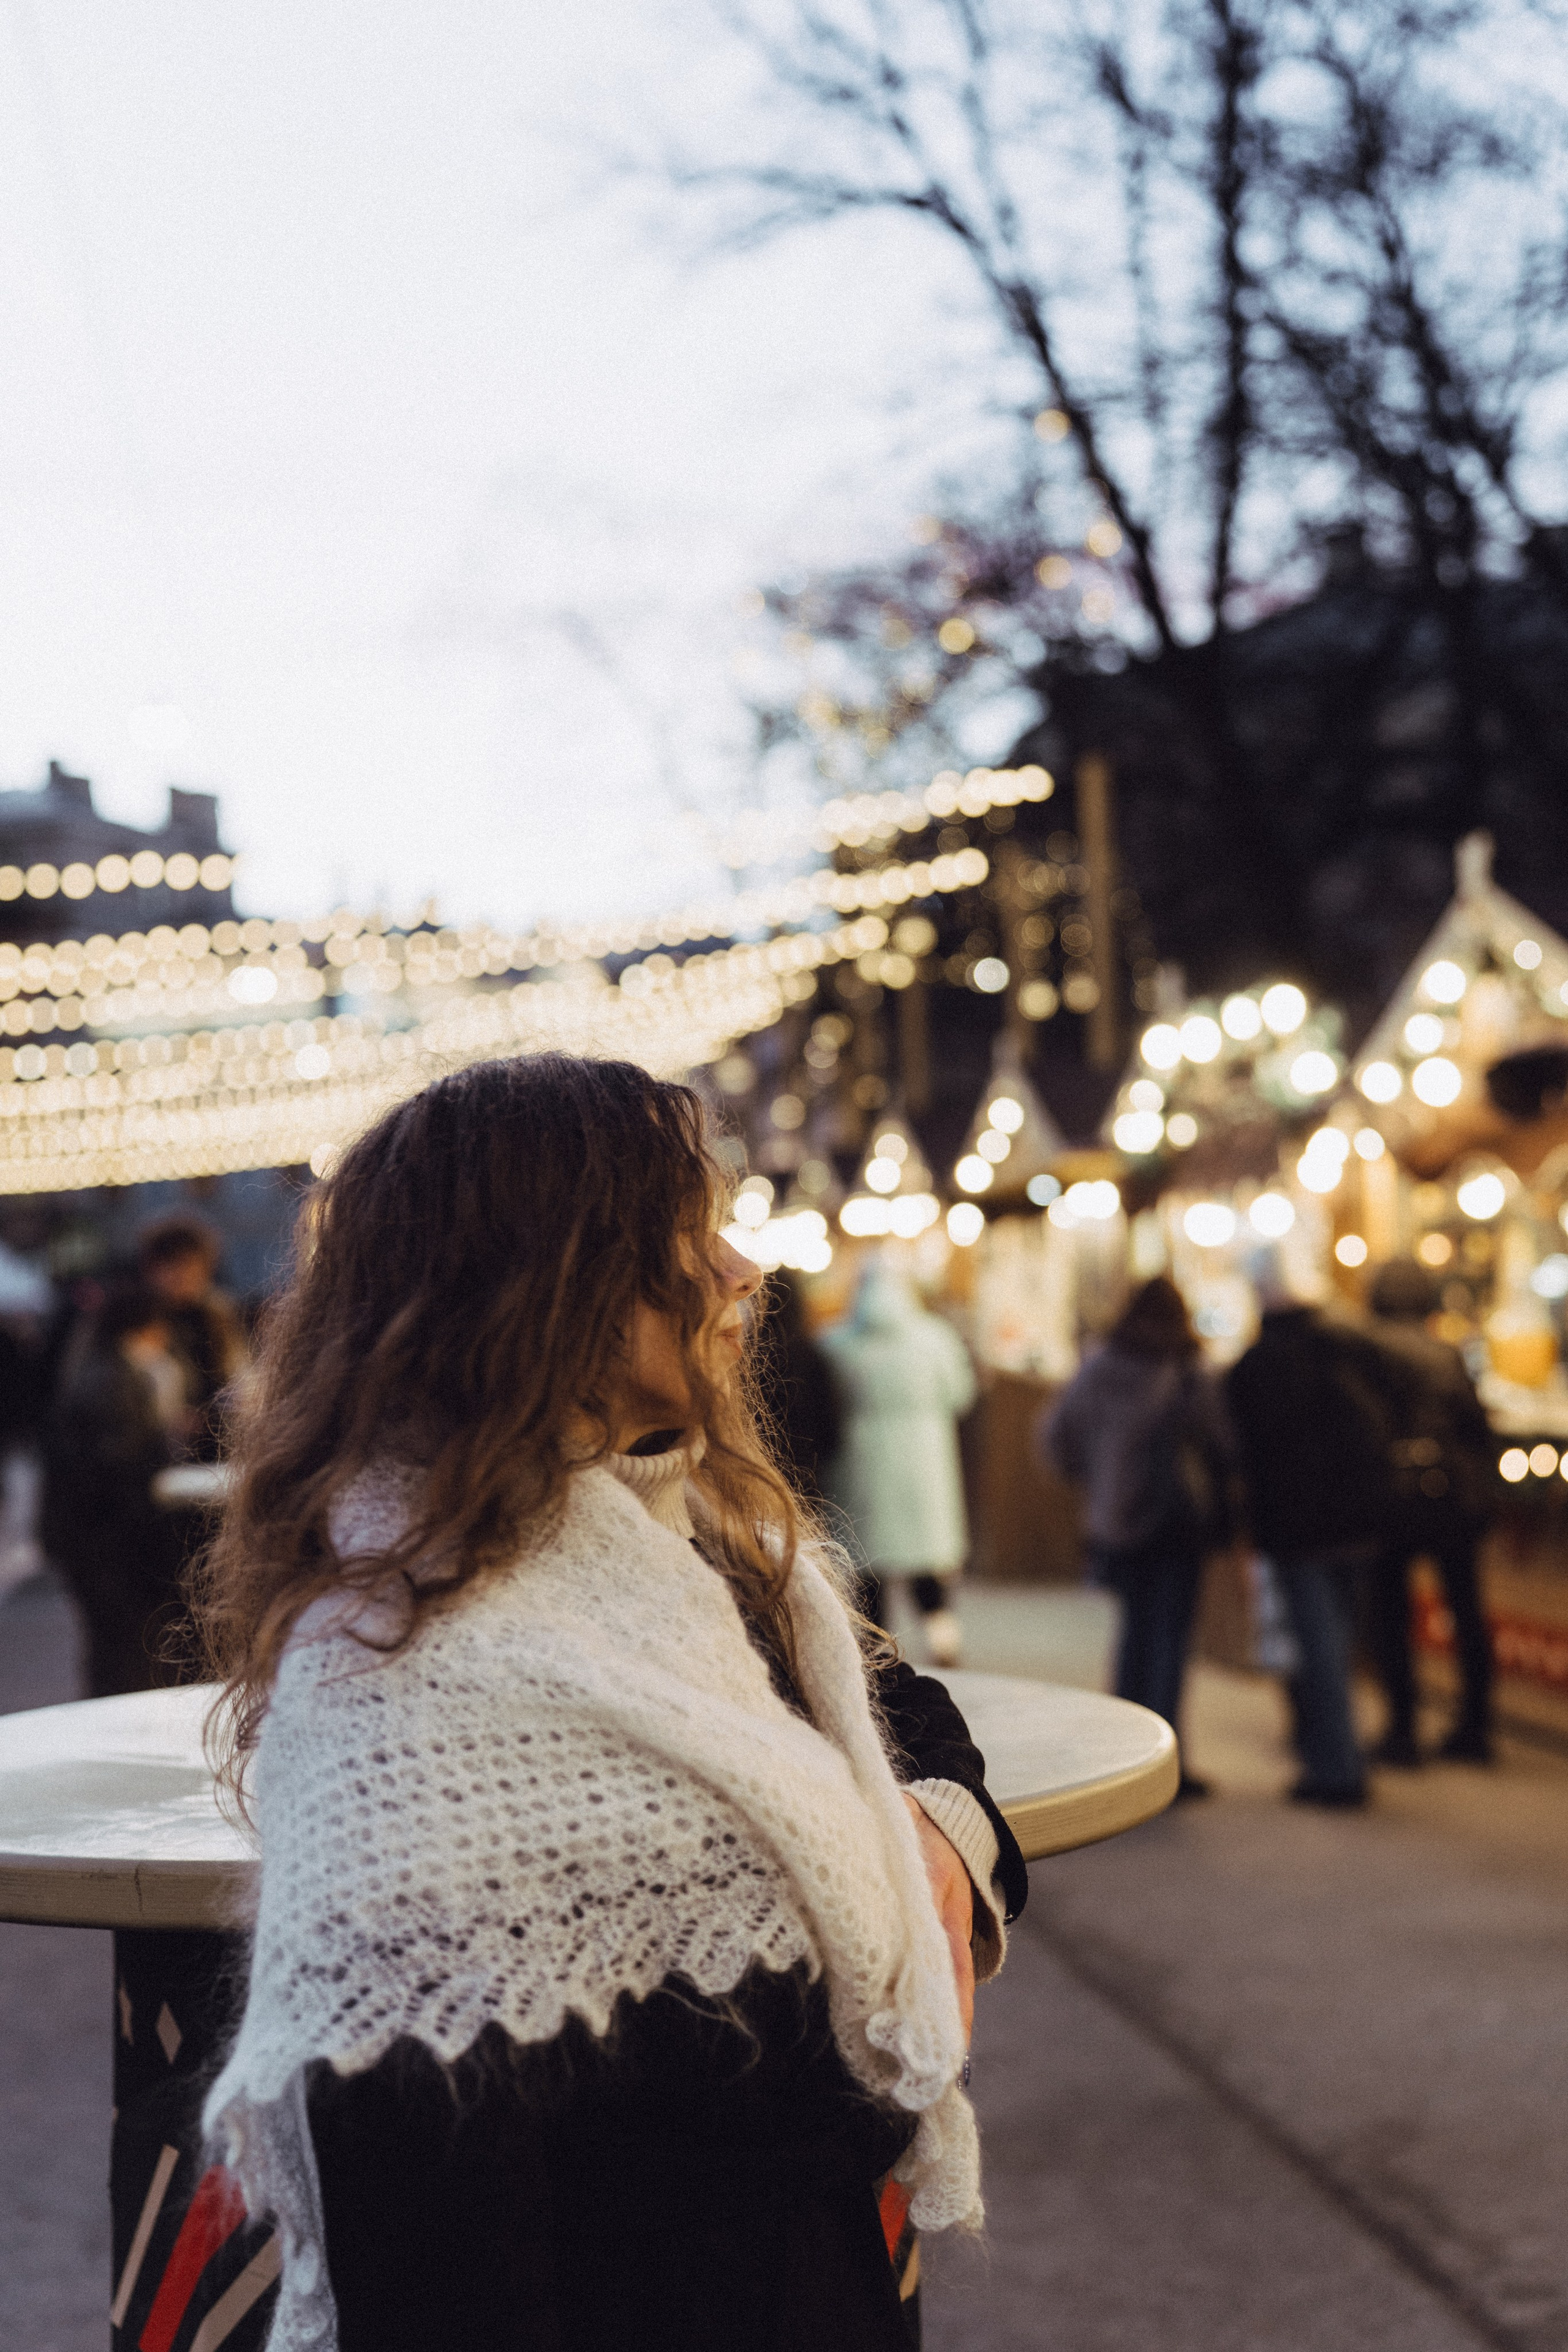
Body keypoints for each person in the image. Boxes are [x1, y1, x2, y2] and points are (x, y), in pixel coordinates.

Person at [198, 1055, 1026, 2352]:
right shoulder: (398, 1690)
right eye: (690, 1237)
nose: (743, 1272)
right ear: (556, 1285)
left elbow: (894, 1705)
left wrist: (934, 1832)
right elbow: (434, 2258)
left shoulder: (678, 1542)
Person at [1041, 1276, 1234, 1795]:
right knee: (1170, 1640)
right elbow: (1222, 1444)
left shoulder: (1102, 1367)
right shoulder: (1191, 1372)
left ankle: (1125, 1759)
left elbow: (1056, 1437)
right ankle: (1167, 1764)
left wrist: (1097, 1479)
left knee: (1131, 1638)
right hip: (1176, 1523)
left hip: (1116, 1522)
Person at [1226, 1254, 1395, 1808]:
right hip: (1358, 1520)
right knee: (1339, 1644)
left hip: (1301, 1530)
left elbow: (1246, 1453)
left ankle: (1337, 1769)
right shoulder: (1349, 1350)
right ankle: (1338, 1755)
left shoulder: (1255, 1367)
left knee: (1319, 1649)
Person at [1363, 1258, 1496, 1764]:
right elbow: (1476, 1426)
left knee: (1392, 1615)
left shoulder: (1367, 1350)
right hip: (1453, 1497)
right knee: (1466, 1611)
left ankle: (1402, 1730)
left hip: (1392, 1497)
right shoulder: (1448, 1353)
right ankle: (1476, 1726)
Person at [820, 1258, 978, 1668]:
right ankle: (943, 1642)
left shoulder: (837, 1344)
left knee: (868, 1569)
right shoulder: (935, 1339)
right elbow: (960, 1394)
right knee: (927, 1566)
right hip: (925, 1462)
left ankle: (877, 1657)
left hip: (861, 1463)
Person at [41, 1282, 191, 1694]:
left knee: (112, 1648)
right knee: (120, 1651)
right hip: (105, 1542)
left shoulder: (99, 1369)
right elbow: (117, 1470)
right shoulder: (114, 1379)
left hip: (91, 1538)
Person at [137, 1215, 250, 1458]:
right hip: (159, 1452)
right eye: (173, 1265)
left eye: (192, 1264)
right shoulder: (140, 1320)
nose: (183, 1274)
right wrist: (166, 1421)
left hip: (217, 1441)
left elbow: (236, 1373)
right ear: (152, 1269)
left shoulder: (217, 1314)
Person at [750, 1266, 843, 1505]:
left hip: (754, 1474)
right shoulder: (813, 1356)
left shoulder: (748, 1359)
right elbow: (831, 1425)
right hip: (808, 1476)